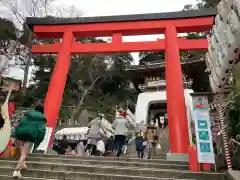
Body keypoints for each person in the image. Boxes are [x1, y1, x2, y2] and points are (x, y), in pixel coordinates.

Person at [13, 104, 46, 177]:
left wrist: (15, 135)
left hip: (20, 133)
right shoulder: (41, 118)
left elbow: (19, 124)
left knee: (22, 153)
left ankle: (23, 164)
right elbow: (42, 130)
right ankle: (16, 170)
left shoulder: (27, 115)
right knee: (24, 153)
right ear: (42, 110)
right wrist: (38, 141)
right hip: (30, 135)